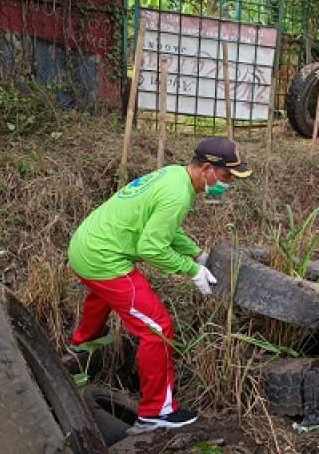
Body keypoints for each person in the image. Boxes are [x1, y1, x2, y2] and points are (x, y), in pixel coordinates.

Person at [67, 138, 250, 432]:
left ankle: (77, 354)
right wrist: (191, 270)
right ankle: (156, 412)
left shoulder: (174, 175)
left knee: (102, 299)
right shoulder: (178, 195)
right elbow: (152, 247)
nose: (228, 184)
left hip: (85, 245)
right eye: (227, 176)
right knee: (158, 328)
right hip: (103, 259)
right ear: (206, 169)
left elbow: (164, 229)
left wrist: (195, 253)